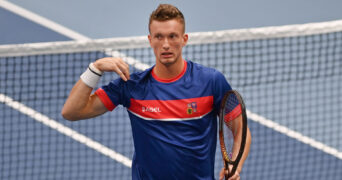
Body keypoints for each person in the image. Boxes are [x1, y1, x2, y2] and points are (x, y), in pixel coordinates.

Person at [62, 4, 251, 180]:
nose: (166, 44)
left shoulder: (211, 82)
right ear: (150, 40)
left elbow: (241, 130)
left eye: (172, 36)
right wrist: (96, 68)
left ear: (184, 39)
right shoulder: (132, 86)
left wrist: (235, 166)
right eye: (159, 37)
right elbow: (72, 111)